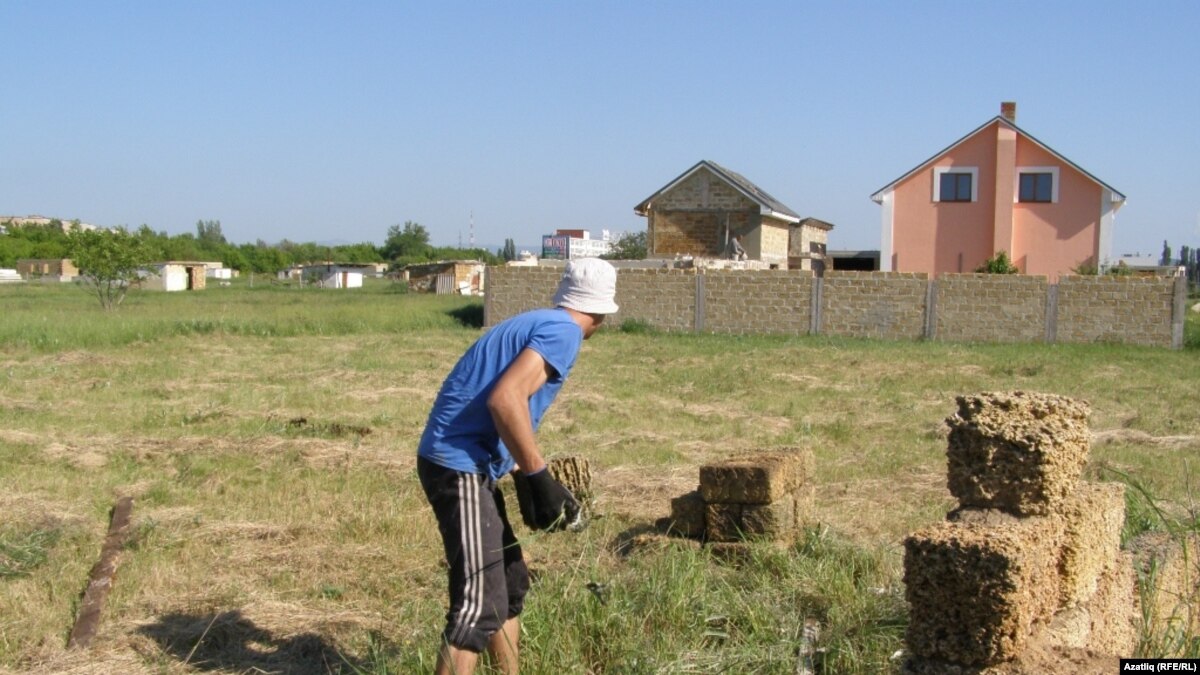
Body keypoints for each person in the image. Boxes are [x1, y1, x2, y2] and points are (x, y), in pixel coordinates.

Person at [416, 257, 619, 674]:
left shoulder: (541, 322)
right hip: (458, 467)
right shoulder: (564, 332)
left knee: (508, 586)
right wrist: (538, 476)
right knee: (478, 605)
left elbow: (496, 404)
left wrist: (517, 473)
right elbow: (504, 399)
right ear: (602, 313)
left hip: (472, 463)